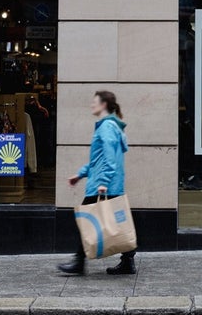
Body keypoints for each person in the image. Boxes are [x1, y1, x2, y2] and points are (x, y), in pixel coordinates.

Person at [58, 90, 134, 276]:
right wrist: (80, 174)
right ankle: (127, 262)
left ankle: (79, 263)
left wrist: (103, 182)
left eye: (95, 102)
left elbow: (109, 160)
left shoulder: (107, 127)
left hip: (102, 184)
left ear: (104, 105)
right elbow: (97, 160)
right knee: (117, 222)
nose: (92, 105)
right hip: (109, 183)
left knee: (85, 222)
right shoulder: (112, 126)